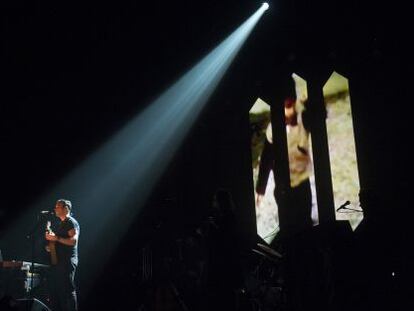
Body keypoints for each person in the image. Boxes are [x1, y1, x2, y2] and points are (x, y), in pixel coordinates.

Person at [255, 77, 313, 235]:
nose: (287, 110)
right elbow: (266, 159)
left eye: (289, 104)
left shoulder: (303, 118)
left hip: (301, 182)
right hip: (283, 188)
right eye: (284, 105)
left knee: (305, 223)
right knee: (288, 226)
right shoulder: (274, 128)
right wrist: (261, 189)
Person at [45, 199, 80, 311]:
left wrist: (57, 238)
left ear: (66, 209)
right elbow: (59, 243)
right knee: (58, 291)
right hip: (59, 261)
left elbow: (73, 241)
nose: (55, 209)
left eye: (58, 207)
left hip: (68, 260)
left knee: (68, 290)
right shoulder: (60, 224)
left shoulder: (71, 222)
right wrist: (51, 247)